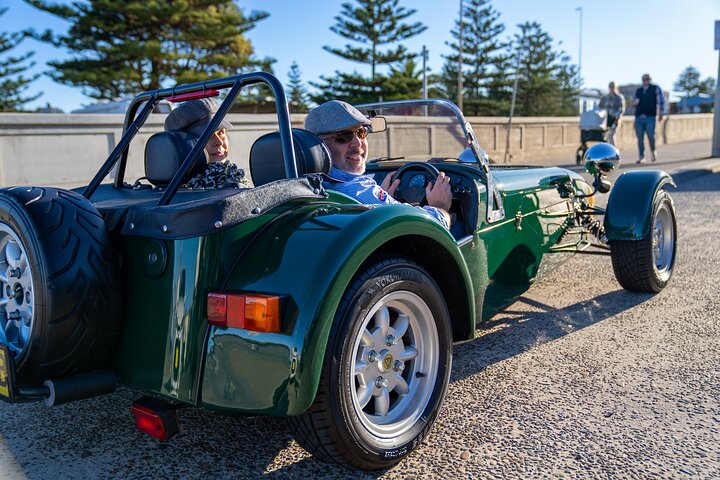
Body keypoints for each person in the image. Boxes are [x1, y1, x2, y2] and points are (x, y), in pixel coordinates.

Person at [304, 100, 452, 230]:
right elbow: (430, 226)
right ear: (316, 145)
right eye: (343, 136)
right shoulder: (357, 190)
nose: (358, 144)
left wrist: (383, 200)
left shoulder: (304, 185)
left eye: (361, 132)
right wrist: (440, 207)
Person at [164, 98, 249, 188]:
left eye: (221, 133)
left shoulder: (233, 176)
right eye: (207, 136)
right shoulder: (174, 192)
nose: (219, 142)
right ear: (182, 146)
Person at [632, 74, 666, 163]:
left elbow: (661, 101)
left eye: (647, 79)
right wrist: (634, 102)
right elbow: (632, 102)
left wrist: (661, 113)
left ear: (650, 79)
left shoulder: (655, 88)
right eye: (643, 79)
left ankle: (653, 151)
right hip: (639, 117)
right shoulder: (638, 90)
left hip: (650, 116)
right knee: (640, 138)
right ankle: (641, 156)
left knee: (651, 136)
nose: (645, 81)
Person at [598, 81, 625, 146]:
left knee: (611, 136)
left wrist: (616, 117)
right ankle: (607, 153)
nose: (611, 88)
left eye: (613, 87)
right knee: (604, 137)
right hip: (606, 120)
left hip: (615, 120)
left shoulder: (619, 97)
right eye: (610, 87)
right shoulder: (605, 97)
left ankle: (614, 152)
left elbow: (621, 110)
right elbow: (599, 107)